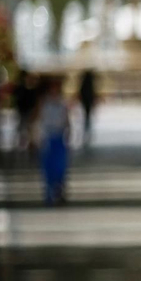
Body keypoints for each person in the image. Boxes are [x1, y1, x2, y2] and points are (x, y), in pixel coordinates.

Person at [37, 75, 70, 206]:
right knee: (48, 167)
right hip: (48, 138)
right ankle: (49, 192)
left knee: (60, 167)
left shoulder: (62, 103)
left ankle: (59, 190)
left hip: (59, 137)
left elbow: (66, 120)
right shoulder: (44, 103)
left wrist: (68, 130)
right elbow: (38, 118)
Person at [77, 69, 98, 148]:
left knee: (86, 119)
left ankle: (86, 133)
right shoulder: (88, 84)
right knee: (87, 119)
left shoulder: (86, 84)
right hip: (87, 103)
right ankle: (86, 133)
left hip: (86, 103)